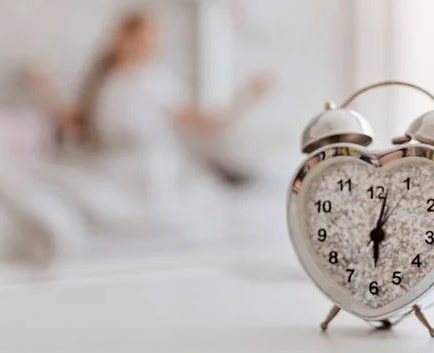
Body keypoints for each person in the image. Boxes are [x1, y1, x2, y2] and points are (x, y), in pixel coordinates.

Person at [24, 10, 272, 238]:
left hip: (149, 169)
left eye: (147, 42)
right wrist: (43, 90)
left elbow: (206, 123)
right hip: (112, 164)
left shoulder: (157, 81)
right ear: (118, 39)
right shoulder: (105, 81)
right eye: (136, 39)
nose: (142, 48)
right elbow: (75, 122)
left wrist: (244, 99)